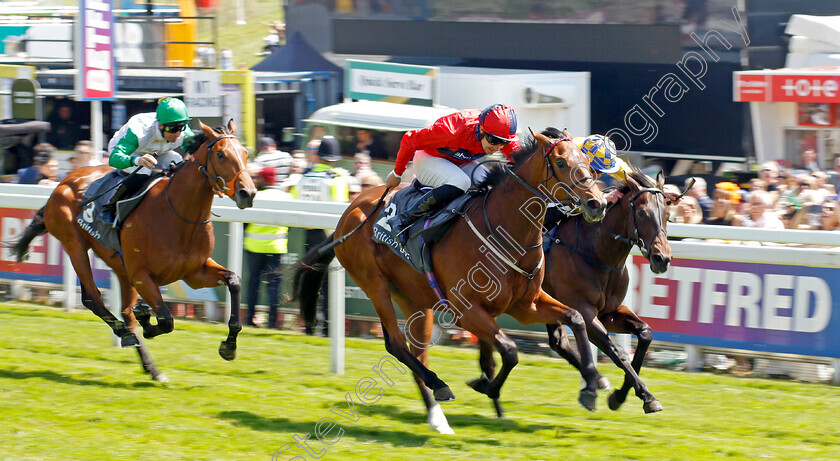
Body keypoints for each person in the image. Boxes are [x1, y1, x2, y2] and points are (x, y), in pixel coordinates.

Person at [384, 104, 520, 244]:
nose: (498, 148)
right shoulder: (452, 130)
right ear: (481, 128)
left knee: (492, 185)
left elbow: (522, 159)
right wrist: (397, 173)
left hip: (459, 162)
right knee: (462, 182)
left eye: (503, 142)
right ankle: (404, 219)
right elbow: (409, 139)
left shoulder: (500, 134)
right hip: (429, 158)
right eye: (494, 140)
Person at [291, 135, 349, 336]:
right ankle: (329, 329)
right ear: (334, 158)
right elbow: (341, 211)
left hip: (309, 235)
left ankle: (308, 326)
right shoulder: (337, 178)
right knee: (329, 284)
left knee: (310, 282)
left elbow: (296, 201)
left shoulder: (303, 177)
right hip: (330, 237)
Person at [102, 97, 195, 215]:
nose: (177, 134)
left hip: (157, 152)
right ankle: (111, 205)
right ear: (160, 125)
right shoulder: (139, 131)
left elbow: (199, 150)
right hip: (129, 152)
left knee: (179, 162)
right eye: (173, 129)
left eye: (181, 127)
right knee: (144, 171)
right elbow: (114, 159)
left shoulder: (182, 132)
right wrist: (137, 160)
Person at [243, 166, 289, 328]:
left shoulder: (255, 196)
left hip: (254, 247)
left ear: (264, 179)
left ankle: (249, 319)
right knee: (273, 287)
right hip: (276, 248)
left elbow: (245, 221)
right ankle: (272, 322)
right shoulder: (285, 197)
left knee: (253, 284)